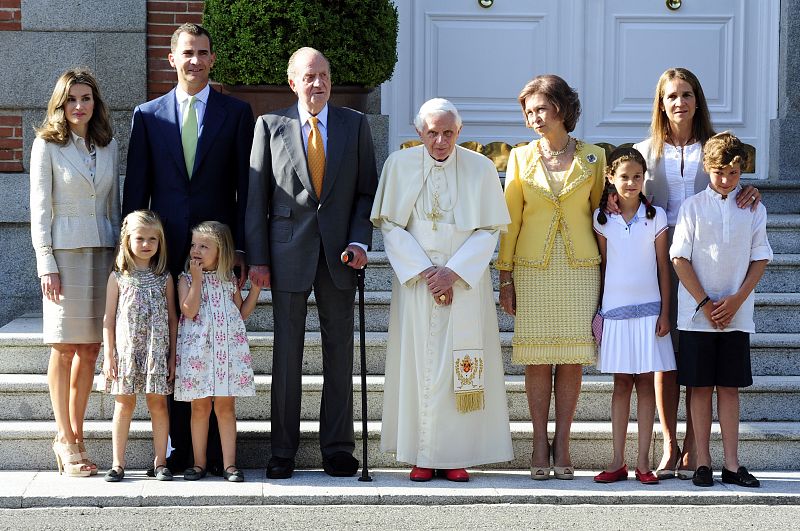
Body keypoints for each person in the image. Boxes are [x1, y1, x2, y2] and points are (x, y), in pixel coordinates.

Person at [122, 22, 255, 474]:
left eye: (202, 52)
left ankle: (216, 453)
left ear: (212, 59)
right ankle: (180, 449)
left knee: (209, 345)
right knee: (174, 346)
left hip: (216, 250)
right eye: (187, 52)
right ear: (172, 59)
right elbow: (137, 191)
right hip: (165, 248)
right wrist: (134, 255)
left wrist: (239, 250)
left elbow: (245, 187)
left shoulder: (237, 113)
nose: (195, 60)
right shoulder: (148, 115)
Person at [247, 47, 378, 479]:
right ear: (293, 82)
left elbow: (365, 193)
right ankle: (282, 450)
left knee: (339, 353)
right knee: (287, 356)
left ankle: (338, 449)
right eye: (309, 76)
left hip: (340, 255)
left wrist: (361, 241)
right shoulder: (269, 126)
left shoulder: (354, 125)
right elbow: (256, 198)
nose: (318, 84)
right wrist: (259, 259)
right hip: (287, 254)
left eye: (324, 75)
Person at [371, 98, 514, 482]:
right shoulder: (398, 166)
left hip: (464, 285)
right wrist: (426, 272)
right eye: (432, 133)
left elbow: (488, 230)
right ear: (419, 132)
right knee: (419, 364)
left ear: (459, 133)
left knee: (459, 369)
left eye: (448, 133)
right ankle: (421, 454)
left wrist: (452, 273)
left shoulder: (481, 168)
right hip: (418, 284)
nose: (440, 141)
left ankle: (455, 456)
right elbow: (390, 226)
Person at [631, 68, 761, 480]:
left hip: (706, 260)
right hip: (658, 258)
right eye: (672, 96)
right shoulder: (644, 150)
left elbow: (731, 188)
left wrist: (750, 190)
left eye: (687, 94)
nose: (680, 102)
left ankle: (696, 449)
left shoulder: (717, 150)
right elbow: (624, 189)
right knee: (666, 356)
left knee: (701, 361)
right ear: (661, 102)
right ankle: (670, 445)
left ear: (697, 100)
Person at [496, 74, 606, 480]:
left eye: (540, 108)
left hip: (579, 268)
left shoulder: (595, 158)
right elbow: (510, 219)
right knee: (538, 358)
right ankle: (539, 442)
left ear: (561, 107)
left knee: (573, 358)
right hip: (532, 269)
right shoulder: (521, 158)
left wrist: (610, 277)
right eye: (528, 111)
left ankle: (564, 442)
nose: (534, 117)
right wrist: (504, 276)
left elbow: (602, 219)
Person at [30, 67, 120, 477]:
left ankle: (78, 436)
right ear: (60, 104)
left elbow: (114, 205)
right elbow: (39, 210)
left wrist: (121, 259)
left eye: (85, 99)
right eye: (71, 99)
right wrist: (45, 263)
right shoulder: (46, 145)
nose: (79, 106)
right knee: (63, 347)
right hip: (63, 256)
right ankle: (64, 439)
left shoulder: (108, 143)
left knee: (90, 349)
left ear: (95, 103)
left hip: (101, 251)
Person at [670, 132, 771, 488]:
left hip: (736, 314)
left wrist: (737, 299)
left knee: (729, 388)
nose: (726, 180)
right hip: (698, 316)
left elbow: (760, 257)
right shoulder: (693, 207)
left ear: (742, 170)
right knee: (699, 388)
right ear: (706, 169)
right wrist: (704, 301)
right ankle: (703, 462)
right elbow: (679, 257)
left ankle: (732, 463)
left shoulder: (753, 208)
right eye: (718, 173)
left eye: (733, 173)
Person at [591, 148, 675, 485]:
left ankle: (643, 462)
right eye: (624, 176)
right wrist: (598, 313)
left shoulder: (657, 217)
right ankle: (616, 461)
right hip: (615, 310)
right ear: (611, 178)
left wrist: (666, 311)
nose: (631, 182)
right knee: (621, 383)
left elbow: (663, 269)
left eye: (637, 177)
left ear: (645, 179)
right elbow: (603, 267)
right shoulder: (602, 219)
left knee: (645, 383)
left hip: (650, 310)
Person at [175, 221, 259, 482]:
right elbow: (189, 310)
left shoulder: (228, 279)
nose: (196, 251)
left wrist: (255, 289)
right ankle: (199, 463)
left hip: (227, 353)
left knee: (225, 408)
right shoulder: (185, 279)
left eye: (204, 246)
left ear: (220, 251)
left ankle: (229, 465)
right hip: (199, 355)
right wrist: (197, 280)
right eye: (194, 245)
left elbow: (240, 313)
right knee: (199, 408)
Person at [102, 210, 176, 482]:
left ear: (160, 242)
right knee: (124, 403)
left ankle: (160, 462)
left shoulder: (164, 277)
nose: (146, 244)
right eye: (140, 238)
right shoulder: (118, 277)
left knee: (158, 404)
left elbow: (172, 318)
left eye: (153, 239)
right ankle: (118, 463)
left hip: (157, 351)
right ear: (127, 240)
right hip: (127, 352)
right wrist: (109, 355)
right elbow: (108, 319)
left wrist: (172, 357)